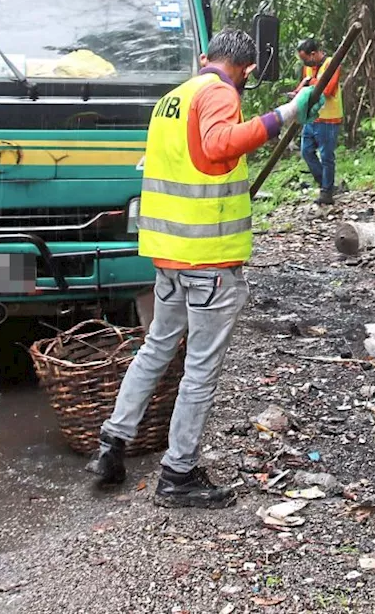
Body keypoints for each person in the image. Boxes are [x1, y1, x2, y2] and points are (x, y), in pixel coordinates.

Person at [85, 29, 325, 507]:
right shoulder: (219, 91)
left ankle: (112, 444)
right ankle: (178, 474)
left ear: (204, 57)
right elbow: (220, 145)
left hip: (170, 256)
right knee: (199, 368)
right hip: (208, 260)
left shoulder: (173, 99)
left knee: (155, 348)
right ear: (247, 70)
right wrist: (288, 113)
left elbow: (194, 162)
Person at [293, 38, 342, 205]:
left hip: (329, 118)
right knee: (306, 151)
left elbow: (327, 90)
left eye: (305, 59)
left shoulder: (331, 64)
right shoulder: (308, 68)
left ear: (313, 54)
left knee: (327, 156)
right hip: (312, 117)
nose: (304, 63)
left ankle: (327, 192)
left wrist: (310, 83)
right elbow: (303, 88)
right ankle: (326, 184)